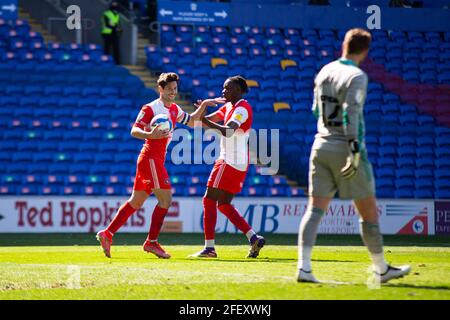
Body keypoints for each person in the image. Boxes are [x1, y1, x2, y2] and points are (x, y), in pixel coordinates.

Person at [297, 29, 411, 284]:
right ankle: (381, 269)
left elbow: (316, 110)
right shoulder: (356, 75)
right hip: (345, 147)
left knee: (314, 210)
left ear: (344, 45)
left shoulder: (325, 70)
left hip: (320, 143)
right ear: (365, 51)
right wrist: (354, 149)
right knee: (368, 211)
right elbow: (351, 114)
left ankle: (304, 268)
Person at [96, 72, 220, 259]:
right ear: (160, 89)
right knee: (166, 200)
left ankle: (107, 233)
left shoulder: (174, 109)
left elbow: (193, 121)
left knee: (136, 202)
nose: (172, 92)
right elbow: (134, 129)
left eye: (175, 89)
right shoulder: (151, 108)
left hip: (154, 159)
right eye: (169, 89)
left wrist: (202, 106)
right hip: (150, 158)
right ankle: (151, 242)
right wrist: (150, 135)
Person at [189, 76, 266, 259]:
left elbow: (229, 131)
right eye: (223, 88)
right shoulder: (229, 106)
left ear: (238, 90)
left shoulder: (242, 109)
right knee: (223, 205)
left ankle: (209, 248)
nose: (223, 92)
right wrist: (203, 107)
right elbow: (199, 121)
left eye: (228, 89)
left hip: (229, 161)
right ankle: (253, 238)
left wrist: (205, 121)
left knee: (209, 200)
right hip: (238, 163)